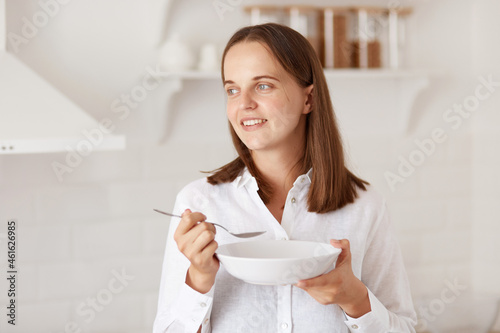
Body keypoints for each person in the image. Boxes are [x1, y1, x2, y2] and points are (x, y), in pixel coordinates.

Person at [153, 23, 417, 333]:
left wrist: (356, 299)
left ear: (309, 99)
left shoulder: (365, 206)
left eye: (263, 85)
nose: (244, 104)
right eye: (232, 89)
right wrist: (198, 279)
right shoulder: (198, 203)